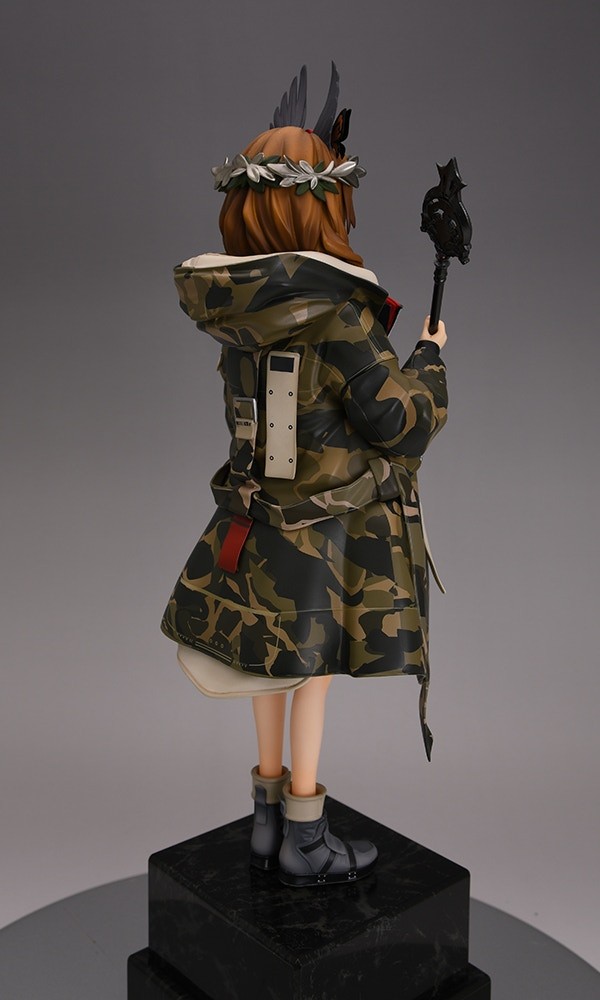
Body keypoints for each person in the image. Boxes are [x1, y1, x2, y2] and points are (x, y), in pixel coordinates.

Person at [161, 65, 448, 887]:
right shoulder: (340, 313)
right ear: (322, 206)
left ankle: (264, 817)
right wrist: (430, 361)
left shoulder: (236, 308)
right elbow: (398, 423)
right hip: (320, 535)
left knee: (265, 665)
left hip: (251, 524)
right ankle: (304, 831)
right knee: (310, 672)